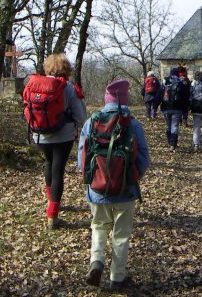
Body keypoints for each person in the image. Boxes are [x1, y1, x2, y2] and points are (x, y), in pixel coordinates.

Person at [77, 80, 150, 291]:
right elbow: (144, 158)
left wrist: (90, 181)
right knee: (121, 234)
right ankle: (117, 278)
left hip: (97, 190)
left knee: (99, 226)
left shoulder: (92, 121)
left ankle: (97, 261)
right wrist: (133, 178)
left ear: (106, 98)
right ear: (125, 99)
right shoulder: (133, 124)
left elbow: (82, 157)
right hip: (126, 190)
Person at [34, 53, 87, 230]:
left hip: (40, 135)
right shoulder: (68, 87)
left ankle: (51, 201)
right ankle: (52, 216)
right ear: (66, 69)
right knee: (58, 171)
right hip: (63, 136)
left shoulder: (37, 85)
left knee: (49, 164)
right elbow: (81, 117)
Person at [160, 67, 190, 152]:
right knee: (174, 126)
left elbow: (159, 94)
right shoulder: (181, 83)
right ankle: (173, 144)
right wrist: (186, 108)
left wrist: (155, 106)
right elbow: (185, 96)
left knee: (169, 126)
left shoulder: (165, 81)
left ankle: (170, 142)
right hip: (178, 108)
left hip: (166, 108)